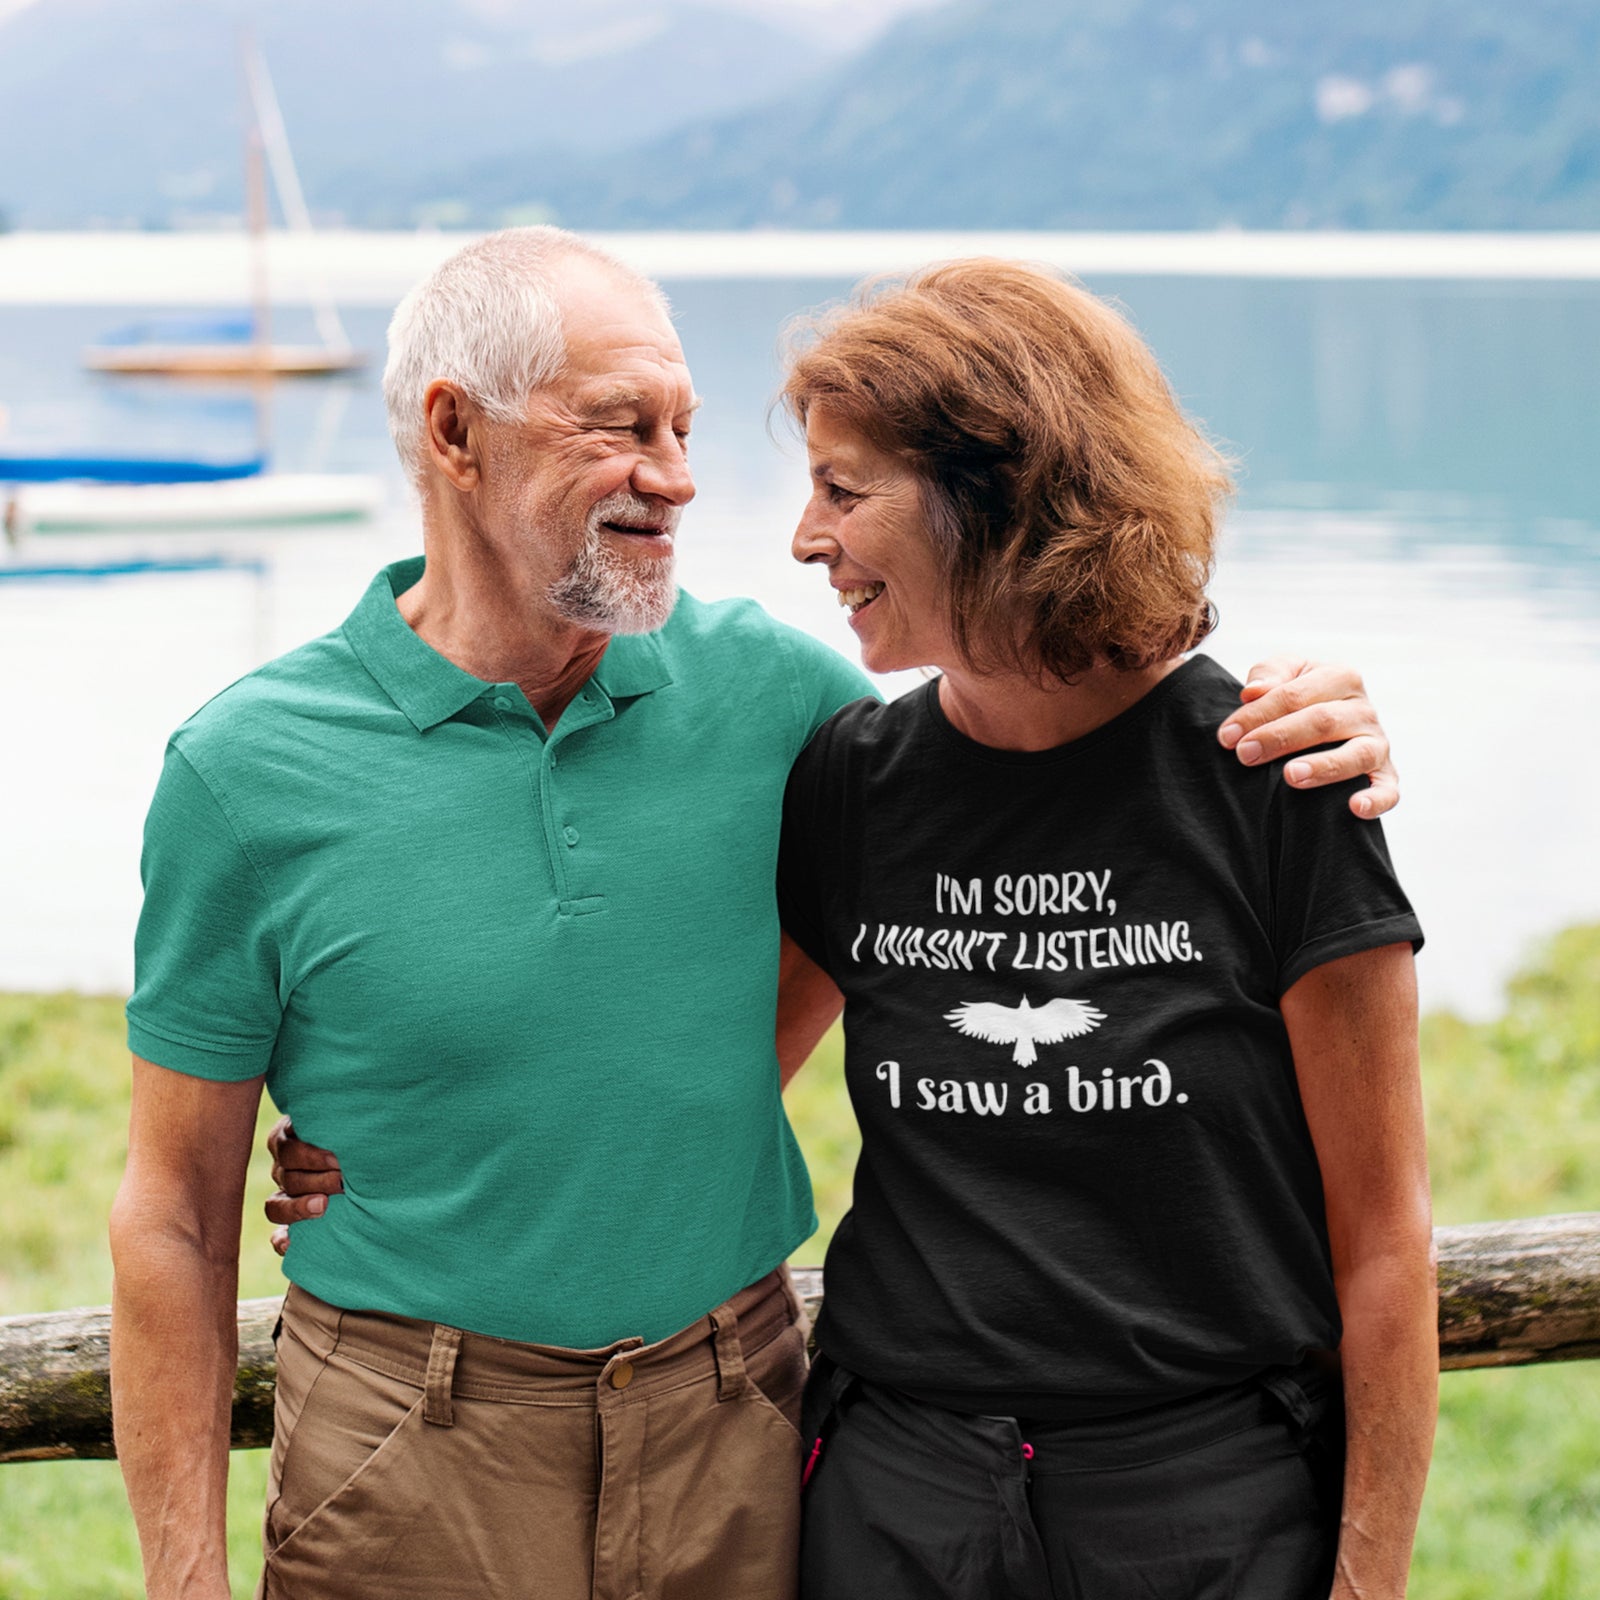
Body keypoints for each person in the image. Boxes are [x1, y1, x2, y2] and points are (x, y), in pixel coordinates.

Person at [112, 226, 1401, 1600]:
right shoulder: (247, 770)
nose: (673, 478)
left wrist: (1311, 721)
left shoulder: (791, 705)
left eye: (683, 427)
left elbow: (1048, 726)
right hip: (407, 1447)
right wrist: (185, 1579)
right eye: (620, 427)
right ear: (453, 430)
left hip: (732, 1423)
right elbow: (173, 1216)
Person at [771, 260, 1436, 1600]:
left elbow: (1385, 1241)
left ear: (996, 496)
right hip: (898, 1492)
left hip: (1203, 1502)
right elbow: (693, 1088)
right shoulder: (852, 777)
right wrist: (375, 1145)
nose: (803, 536)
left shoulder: (1272, 778)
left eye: (844, 490)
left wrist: (1366, 1580)